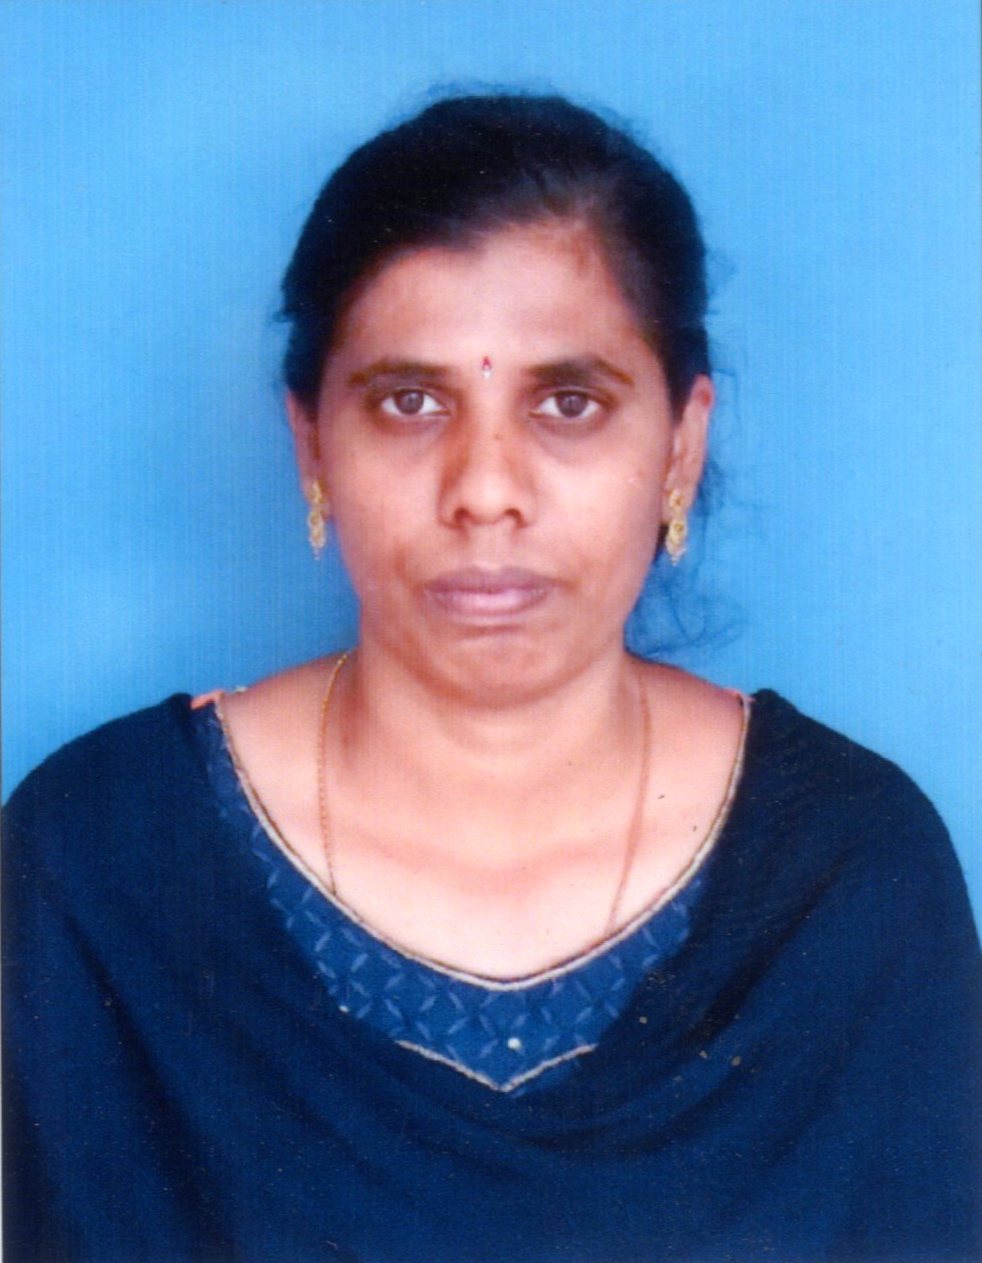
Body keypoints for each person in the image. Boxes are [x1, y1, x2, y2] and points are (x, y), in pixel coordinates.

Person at [3, 92, 978, 1263]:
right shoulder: (102, 859)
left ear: (680, 444)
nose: (485, 491)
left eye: (568, 403)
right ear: (312, 443)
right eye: (410, 402)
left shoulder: (846, 872)